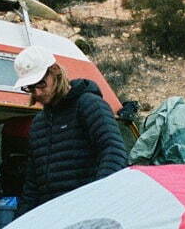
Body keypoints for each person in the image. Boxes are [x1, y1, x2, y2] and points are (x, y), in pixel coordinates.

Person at [12, 45, 128, 214]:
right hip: (55, 218)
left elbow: (114, 152)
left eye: (41, 84)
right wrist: (19, 226)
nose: (37, 92)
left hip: (90, 213)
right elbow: (32, 184)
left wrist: (96, 200)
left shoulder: (89, 105)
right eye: (30, 87)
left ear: (56, 71)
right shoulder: (38, 124)